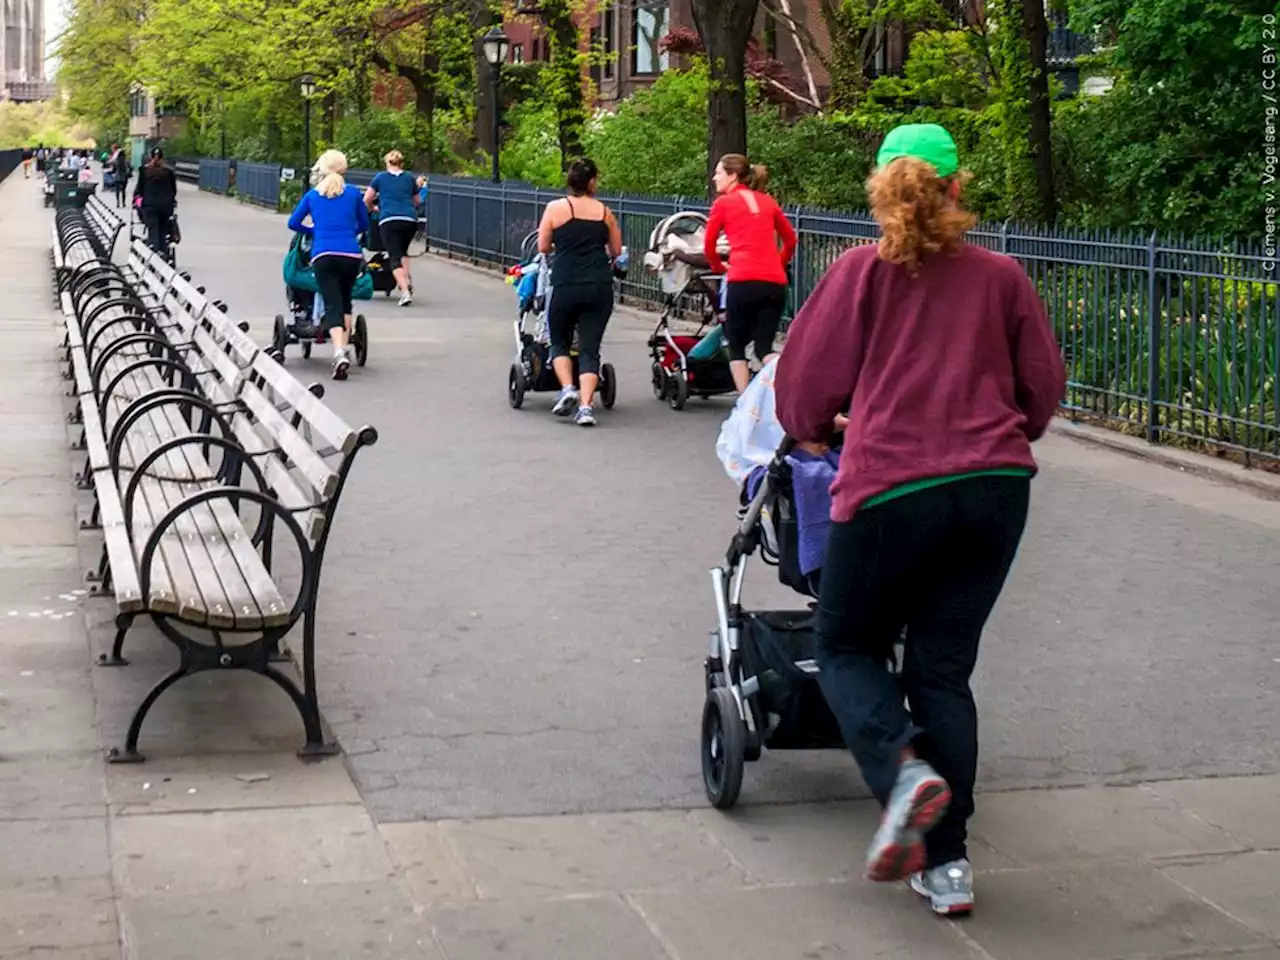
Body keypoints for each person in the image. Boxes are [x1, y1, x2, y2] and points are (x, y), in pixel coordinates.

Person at [773, 123, 1066, 918]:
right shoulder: (1003, 277)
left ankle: (903, 772)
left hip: (894, 485)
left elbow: (801, 397)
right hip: (995, 488)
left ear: (880, 189)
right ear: (957, 186)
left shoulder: (860, 273)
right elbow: (1041, 392)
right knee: (942, 668)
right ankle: (949, 869)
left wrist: (823, 426)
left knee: (846, 643)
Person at [536, 157, 623, 427]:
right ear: (592, 182)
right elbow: (617, 251)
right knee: (589, 348)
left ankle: (567, 389)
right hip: (599, 285)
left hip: (565, 283)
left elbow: (542, 246)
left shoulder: (555, 208)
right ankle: (586, 407)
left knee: (559, 340)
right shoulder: (604, 212)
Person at [704, 155, 797, 394]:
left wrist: (717, 267)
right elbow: (790, 239)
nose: (715, 177)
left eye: (719, 172)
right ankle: (787, 385)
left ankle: (746, 403)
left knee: (735, 344)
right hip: (775, 284)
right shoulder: (768, 202)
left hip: (743, 280)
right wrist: (778, 263)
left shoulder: (723, 204)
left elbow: (709, 245)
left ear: (733, 175)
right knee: (764, 348)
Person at [287, 149, 370, 381]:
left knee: (332, 303)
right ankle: (343, 349)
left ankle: (338, 353)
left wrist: (313, 230)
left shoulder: (313, 196)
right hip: (350, 256)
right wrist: (348, 232)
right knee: (345, 303)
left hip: (323, 254)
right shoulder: (353, 194)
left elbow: (293, 222)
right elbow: (364, 224)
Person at [364, 149, 426, 307]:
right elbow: (417, 201)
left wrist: (374, 208)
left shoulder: (380, 178)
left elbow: (367, 199)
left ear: (387, 163)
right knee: (403, 251)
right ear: (401, 163)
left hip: (389, 219)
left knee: (394, 256)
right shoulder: (409, 179)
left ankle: (404, 291)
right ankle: (406, 281)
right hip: (409, 220)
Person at [133, 148, 178, 258]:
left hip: (150, 205)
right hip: (165, 205)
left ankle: (154, 253)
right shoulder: (169, 172)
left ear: (150, 157)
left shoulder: (144, 170)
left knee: (153, 229)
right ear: (162, 157)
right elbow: (173, 190)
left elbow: (139, 189)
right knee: (163, 229)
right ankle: (163, 252)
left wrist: (136, 201)